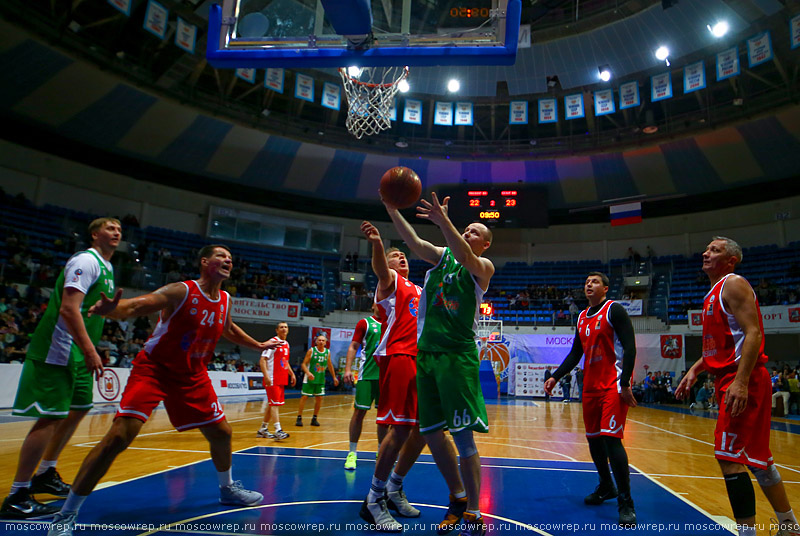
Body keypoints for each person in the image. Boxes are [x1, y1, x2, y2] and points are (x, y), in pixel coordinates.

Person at [46, 245, 284, 536]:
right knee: (119, 437)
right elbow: (137, 306)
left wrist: (258, 345)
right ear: (204, 261)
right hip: (155, 369)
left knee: (222, 433)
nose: (228, 260)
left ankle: (227, 489)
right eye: (221, 256)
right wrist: (114, 310)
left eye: (230, 258)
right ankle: (66, 514)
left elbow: (228, 328)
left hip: (192, 375)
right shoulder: (180, 291)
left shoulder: (225, 299)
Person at [383, 192, 494, 536]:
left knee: (462, 438)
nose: (469, 234)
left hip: (456, 358)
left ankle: (474, 511)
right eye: (468, 229)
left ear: (485, 245)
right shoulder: (442, 256)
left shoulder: (483, 267)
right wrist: (391, 208)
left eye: (475, 232)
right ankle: (458, 497)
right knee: (431, 432)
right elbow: (413, 241)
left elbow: (463, 252)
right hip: (427, 355)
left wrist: (444, 221)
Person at [676, 237, 800, 536]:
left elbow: (754, 332)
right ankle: (789, 525)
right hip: (732, 378)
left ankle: (747, 533)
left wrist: (741, 382)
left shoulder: (733, 283)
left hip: (744, 378)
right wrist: (695, 368)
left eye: (715, 250)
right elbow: (725, 345)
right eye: (707, 248)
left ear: (731, 260)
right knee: (759, 460)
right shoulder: (713, 291)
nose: (706, 253)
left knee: (729, 459)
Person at [1, 218, 121, 520]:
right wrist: (91, 349)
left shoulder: (107, 268)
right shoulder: (85, 260)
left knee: (80, 407)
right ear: (95, 234)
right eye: (110, 228)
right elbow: (68, 308)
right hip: (59, 349)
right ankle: (17, 494)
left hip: (78, 354)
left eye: (119, 229)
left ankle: (45, 472)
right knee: (49, 419)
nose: (116, 232)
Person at [544, 271, 638, 527]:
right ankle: (606, 486)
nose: (589, 284)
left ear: (605, 288)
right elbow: (576, 353)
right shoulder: (582, 317)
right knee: (595, 442)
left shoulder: (614, 310)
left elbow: (630, 346)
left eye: (594, 281)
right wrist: (555, 376)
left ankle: (626, 502)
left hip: (613, 384)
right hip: (590, 387)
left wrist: (626, 382)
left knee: (611, 439)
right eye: (586, 281)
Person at [358, 221, 426, 532]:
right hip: (399, 356)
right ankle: (373, 499)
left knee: (425, 429)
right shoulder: (390, 282)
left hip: (423, 360)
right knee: (397, 431)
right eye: (395, 255)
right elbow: (381, 270)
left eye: (404, 255)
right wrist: (377, 244)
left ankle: (395, 487)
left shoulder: (421, 289)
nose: (402, 258)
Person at [342, 304, 387, 470]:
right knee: (359, 412)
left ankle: (381, 451)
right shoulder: (365, 323)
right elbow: (354, 346)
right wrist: (348, 369)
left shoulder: (393, 322)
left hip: (386, 377)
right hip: (366, 375)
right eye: (378, 301)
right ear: (373, 304)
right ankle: (352, 453)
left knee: (383, 418)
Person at [257, 322, 296, 440]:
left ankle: (263, 429)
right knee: (274, 404)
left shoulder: (286, 344)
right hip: (272, 378)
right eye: (281, 327)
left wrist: (292, 374)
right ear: (277, 330)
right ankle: (278, 430)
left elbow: (285, 361)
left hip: (281, 378)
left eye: (285, 327)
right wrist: (266, 376)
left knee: (272, 403)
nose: (284, 329)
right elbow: (262, 360)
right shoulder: (272, 342)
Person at [295, 333, 338, 426]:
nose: (321, 342)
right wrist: (308, 372)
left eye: (323, 340)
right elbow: (303, 364)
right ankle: (299, 417)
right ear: (316, 342)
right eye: (319, 340)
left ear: (326, 343)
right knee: (304, 397)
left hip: (320, 379)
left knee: (319, 398)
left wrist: (334, 377)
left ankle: (314, 418)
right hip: (309, 378)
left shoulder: (327, 352)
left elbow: (330, 365)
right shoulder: (311, 351)